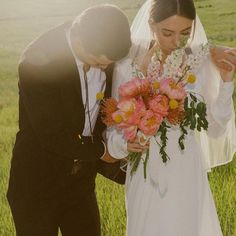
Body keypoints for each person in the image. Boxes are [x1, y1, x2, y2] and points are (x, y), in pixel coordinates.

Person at [107, 0, 236, 235]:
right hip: (145, 176)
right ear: (151, 26)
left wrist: (227, 83)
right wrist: (125, 143)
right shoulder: (126, 67)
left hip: (186, 170)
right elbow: (112, 136)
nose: (176, 42)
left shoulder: (198, 66)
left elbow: (216, 130)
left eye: (185, 34)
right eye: (167, 33)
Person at [6, 4, 131, 236]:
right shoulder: (37, 61)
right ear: (81, 41)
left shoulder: (106, 49)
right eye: (100, 61)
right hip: (36, 185)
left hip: (81, 184)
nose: (106, 67)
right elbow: (50, 133)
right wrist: (102, 151)